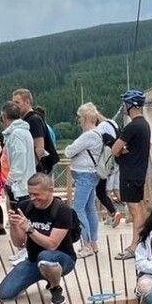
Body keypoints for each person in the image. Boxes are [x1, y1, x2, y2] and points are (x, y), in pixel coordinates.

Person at [0, 173, 79, 304]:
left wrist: (30, 229)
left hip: (61, 259)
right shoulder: (24, 206)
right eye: (30, 194)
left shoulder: (63, 211)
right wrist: (14, 224)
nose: (33, 198)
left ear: (50, 191)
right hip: (33, 260)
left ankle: (55, 287)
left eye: (37, 194)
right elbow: (19, 243)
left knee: (45, 257)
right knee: (4, 293)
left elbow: (52, 245)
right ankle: (40, 276)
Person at [113, 90, 152, 260]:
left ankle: (134, 245)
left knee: (134, 209)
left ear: (131, 105)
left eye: (125, 104)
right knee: (140, 207)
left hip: (129, 172)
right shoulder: (144, 125)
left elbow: (115, 149)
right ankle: (142, 242)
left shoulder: (132, 126)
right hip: (139, 171)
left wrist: (121, 149)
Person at [64, 102, 102, 255]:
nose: (79, 120)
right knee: (89, 209)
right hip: (92, 174)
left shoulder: (88, 136)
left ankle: (86, 244)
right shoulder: (98, 133)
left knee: (77, 209)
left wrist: (71, 150)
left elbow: (69, 151)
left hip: (84, 175)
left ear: (85, 118)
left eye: (80, 117)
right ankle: (93, 242)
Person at [94, 110, 120, 226]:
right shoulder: (112, 123)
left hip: (102, 163)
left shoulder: (100, 128)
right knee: (111, 189)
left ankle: (111, 215)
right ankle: (120, 211)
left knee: (104, 191)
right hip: (114, 161)